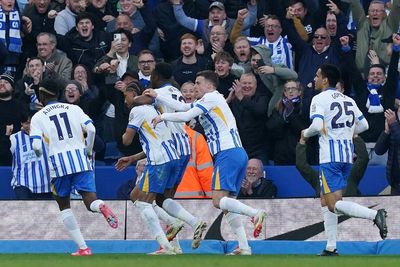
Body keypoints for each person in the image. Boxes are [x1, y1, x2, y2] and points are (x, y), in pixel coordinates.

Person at [148, 70, 267, 255]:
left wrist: (162, 116)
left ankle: (255, 213)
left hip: (226, 153)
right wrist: (158, 96)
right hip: (237, 152)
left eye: (198, 82)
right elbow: (185, 108)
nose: (195, 87)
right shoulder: (212, 100)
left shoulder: (211, 97)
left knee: (218, 201)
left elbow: (186, 116)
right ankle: (244, 247)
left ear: (209, 85)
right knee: (228, 205)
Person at [301, 64, 388, 256]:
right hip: (346, 156)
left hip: (329, 157)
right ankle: (331, 246)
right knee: (325, 201)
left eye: (317, 75)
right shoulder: (348, 99)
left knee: (333, 203)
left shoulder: (318, 98)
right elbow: (364, 125)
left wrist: (305, 133)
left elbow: (316, 126)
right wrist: (347, 133)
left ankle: (375, 215)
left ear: (325, 80)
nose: (314, 79)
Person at [29, 78, 118, 256]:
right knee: (90, 200)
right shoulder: (74, 109)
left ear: (42, 94)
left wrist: (41, 157)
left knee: (64, 206)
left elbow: (37, 146)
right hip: (80, 160)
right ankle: (100, 206)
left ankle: (83, 248)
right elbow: (91, 130)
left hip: (58, 164)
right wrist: (88, 150)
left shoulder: (38, 117)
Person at [133, 62, 206, 251]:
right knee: (163, 200)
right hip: (183, 147)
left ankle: (176, 235)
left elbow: (139, 101)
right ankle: (176, 244)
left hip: (170, 150)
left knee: (144, 200)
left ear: (156, 76)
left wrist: (134, 96)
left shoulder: (160, 93)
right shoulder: (175, 91)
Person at [121, 82, 181, 255]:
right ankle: (172, 227)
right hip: (173, 158)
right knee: (135, 196)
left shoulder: (137, 111)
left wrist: (123, 131)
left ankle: (166, 244)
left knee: (142, 202)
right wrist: (133, 158)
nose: (125, 100)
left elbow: (126, 140)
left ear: (133, 93)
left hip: (158, 161)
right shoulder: (156, 110)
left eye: (125, 95)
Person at [10, 111, 52, 200]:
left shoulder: (47, 136)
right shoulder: (14, 138)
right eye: (27, 123)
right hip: (23, 184)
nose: (30, 126)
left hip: (45, 185)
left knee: (44, 214)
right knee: (24, 213)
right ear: (21, 123)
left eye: (33, 122)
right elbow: (4, 153)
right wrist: (6, 136)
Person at [375, 108, 400, 195]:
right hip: (395, 182)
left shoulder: (394, 124)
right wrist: (386, 132)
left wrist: (393, 124)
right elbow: (379, 151)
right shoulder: (394, 124)